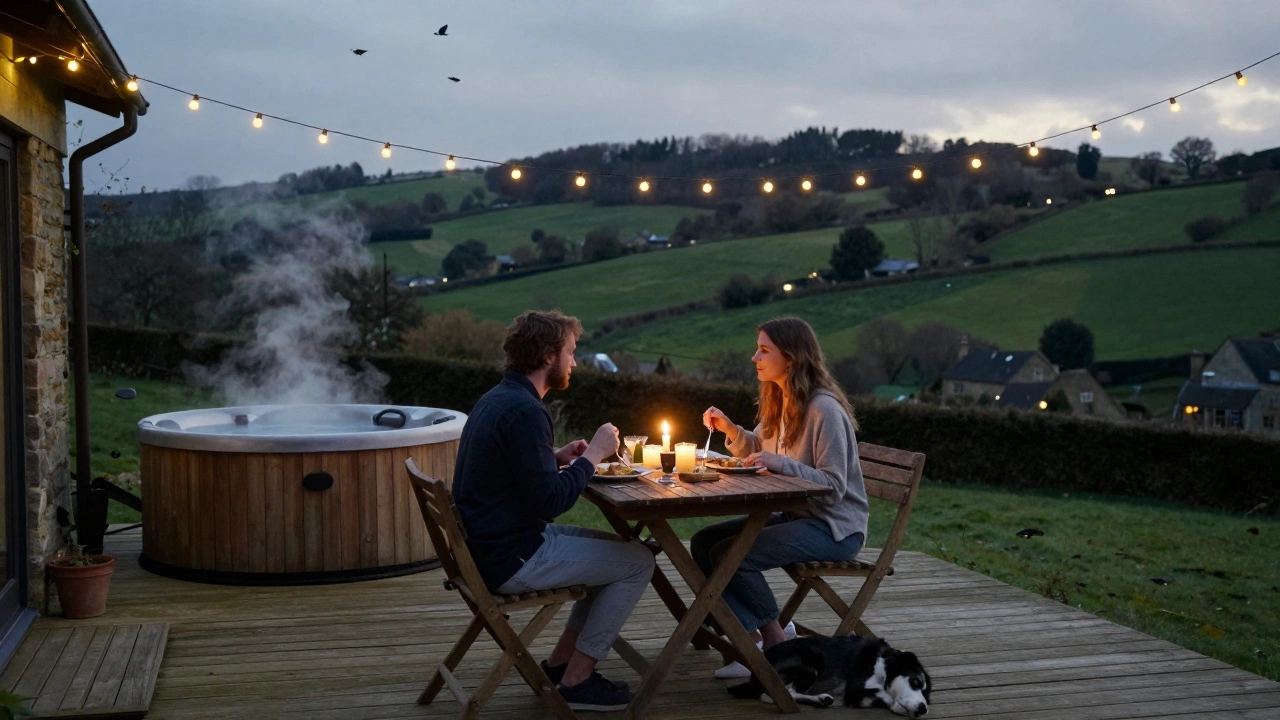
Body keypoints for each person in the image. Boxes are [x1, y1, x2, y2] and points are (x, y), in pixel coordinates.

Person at [452, 310, 655, 711]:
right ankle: (578, 682)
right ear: (548, 356)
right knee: (638, 561)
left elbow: (518, 476)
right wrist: (594, 454)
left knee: (622, 549)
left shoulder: (498, 399)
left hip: (492, 546)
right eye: (571, 352)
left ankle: (563, 664)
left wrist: (555, 458)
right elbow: (551, 503)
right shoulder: (527, 411)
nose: (574, 362)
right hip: (513, 556)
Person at [692, 316, 868, 679]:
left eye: (764, 350)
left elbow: (833, 486)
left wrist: (784, 464)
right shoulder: (780, 398)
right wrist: (730, 429)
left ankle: (774, 645)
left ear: (791, 357)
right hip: (795, 516)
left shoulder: (824, 410)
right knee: (704, 541)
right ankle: (752, 638)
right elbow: (758, 448)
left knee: (731, 555)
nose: (755, 357)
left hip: (833, 527)